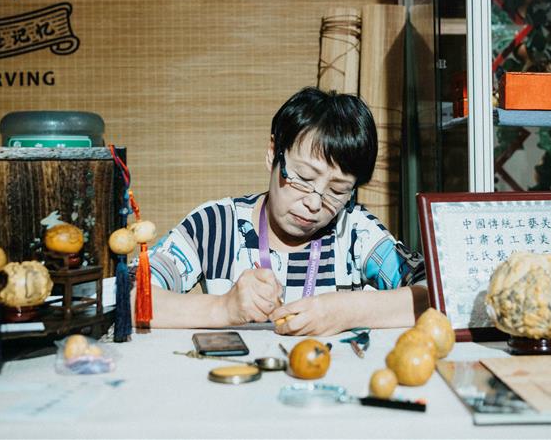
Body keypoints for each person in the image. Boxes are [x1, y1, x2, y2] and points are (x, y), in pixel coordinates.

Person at [139, 87, 429, 335]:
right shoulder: (216, 225)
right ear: (272, 153)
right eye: (303, 178)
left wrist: (348, 310)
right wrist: (222, 307)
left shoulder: (353, 230)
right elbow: (128, 296)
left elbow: (439, 293)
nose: (315, 204)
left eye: (338, 190)